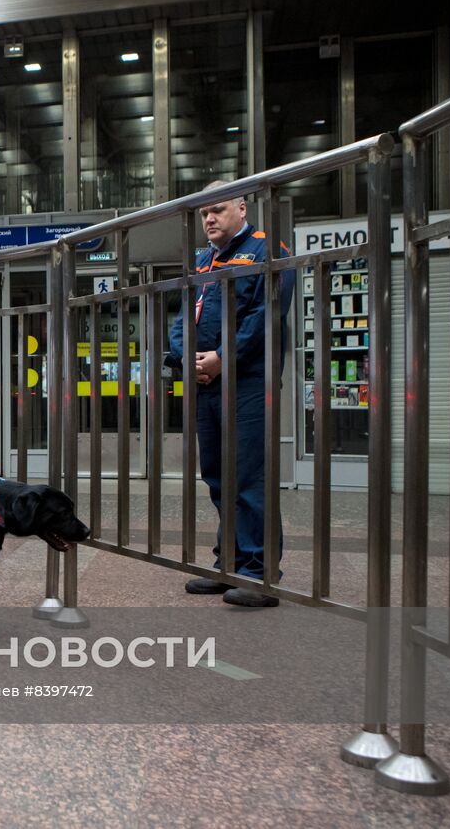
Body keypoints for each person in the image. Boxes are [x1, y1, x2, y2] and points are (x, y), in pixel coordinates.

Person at [167, 185, 293, 608]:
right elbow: (184, 315)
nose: (209, 220)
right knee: (219, 476)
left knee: (249, 477)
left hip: (247, 383)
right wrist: (188, 358)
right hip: (207, 382)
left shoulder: (266, 252)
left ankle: (259, 574)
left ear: (242, 208)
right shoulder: (204, 260)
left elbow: (265, 315)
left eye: (217, 210)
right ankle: (230, 564)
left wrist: (223, 356)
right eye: (204, 214)